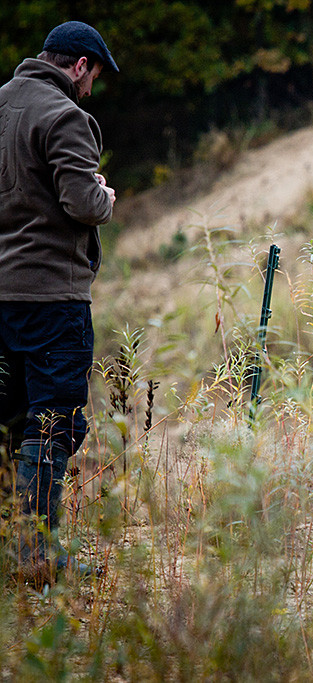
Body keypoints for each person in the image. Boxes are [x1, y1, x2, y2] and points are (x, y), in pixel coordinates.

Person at [0, 20, 118, 582]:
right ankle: (36, 556)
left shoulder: (1, 103)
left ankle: (11, 549)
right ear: (78, 65)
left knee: (10, 423)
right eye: (92, 75)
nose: (90, 88)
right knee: (54, 424)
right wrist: (106, 195)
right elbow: (82, 201)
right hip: (51, 298)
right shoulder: (66, 116)